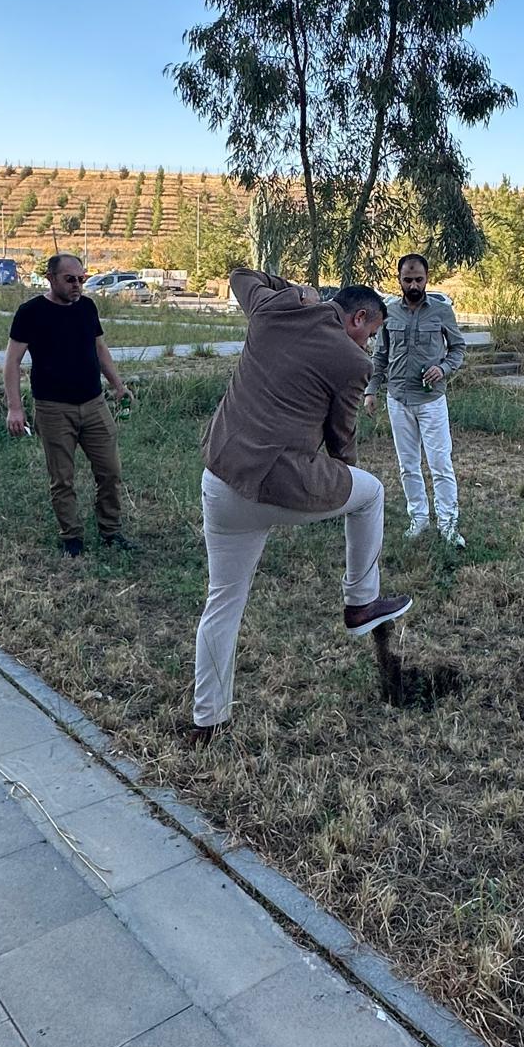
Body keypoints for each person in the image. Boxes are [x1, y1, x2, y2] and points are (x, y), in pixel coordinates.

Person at [190, 267, 413, 744]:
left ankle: (208, 722)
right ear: (357, 319)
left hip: (220, 477)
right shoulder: (352, 362)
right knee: (370, 493)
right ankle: (361, 602)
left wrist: (295, 290)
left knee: (222, 603)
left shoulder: (272, 309)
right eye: (372, 333)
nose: (370, 344)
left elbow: (241, 276)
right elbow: (341, 441)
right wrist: (340, 483)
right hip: (277, 484)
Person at [3, 253, 133, 556]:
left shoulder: (87, 307)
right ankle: (71, 538)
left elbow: (100, 349)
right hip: (53, 409)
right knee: (62, 478)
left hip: (94, 404)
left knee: (110, 471)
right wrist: (15, 407)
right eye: (70, 279)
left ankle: (111, 532)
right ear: (50, 278)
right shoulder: (30, 312)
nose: (77, 285)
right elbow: (12, 362)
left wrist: (118, 386)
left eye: (81, 279)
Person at [363, 253, 467, 545]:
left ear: (427, 278)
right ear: (399, 279)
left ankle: (448, 525)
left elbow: (458, 349)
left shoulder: (441, 312)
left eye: (418, 279)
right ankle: (418, 519)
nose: (413, 285)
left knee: (440, 464)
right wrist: (371, 390)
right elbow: (380, 355)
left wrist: (443, 368)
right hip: (398, 399)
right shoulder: (389, 313)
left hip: (431, 400)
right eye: (407, 280)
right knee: (408, 465)